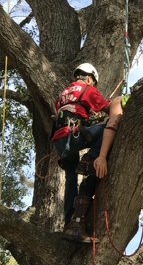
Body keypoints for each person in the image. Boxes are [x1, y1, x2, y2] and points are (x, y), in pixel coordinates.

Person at [92, 95, 143, 258]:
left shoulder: (120, 100)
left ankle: (76, 221)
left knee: (88, 184)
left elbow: (112, 125)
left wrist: (102, 156)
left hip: (119, 157)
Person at [50, 63, 110, 243]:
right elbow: (109, 111)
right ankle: (90, 157)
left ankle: (69, 224)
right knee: (109, 127)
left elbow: (70, 112)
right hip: (73, 137)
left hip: (59, 142)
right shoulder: (88, 90)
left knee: (70, 179)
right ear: (90, 78)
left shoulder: (61, 95)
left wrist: (89, 119)